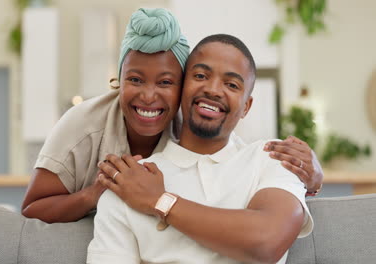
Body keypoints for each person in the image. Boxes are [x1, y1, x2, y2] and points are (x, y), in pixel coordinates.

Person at [21, 8, 323, 224]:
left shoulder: (190, 126)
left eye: (165, 82)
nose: (148, 96)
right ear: (119, 81)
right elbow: (31, 208)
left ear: (181, 89)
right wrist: (95, 195)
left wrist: (311, 178)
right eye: (135, 80)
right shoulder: (84, 124)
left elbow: (238, 172)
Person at [88, 34, 314, 264]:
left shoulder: (273, 159)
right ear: (181, 87)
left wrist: (160, 201)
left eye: (231, 84)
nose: (214, 90)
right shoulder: (130, 183)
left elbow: (266, 243)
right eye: (200, 76)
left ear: (246, 106)